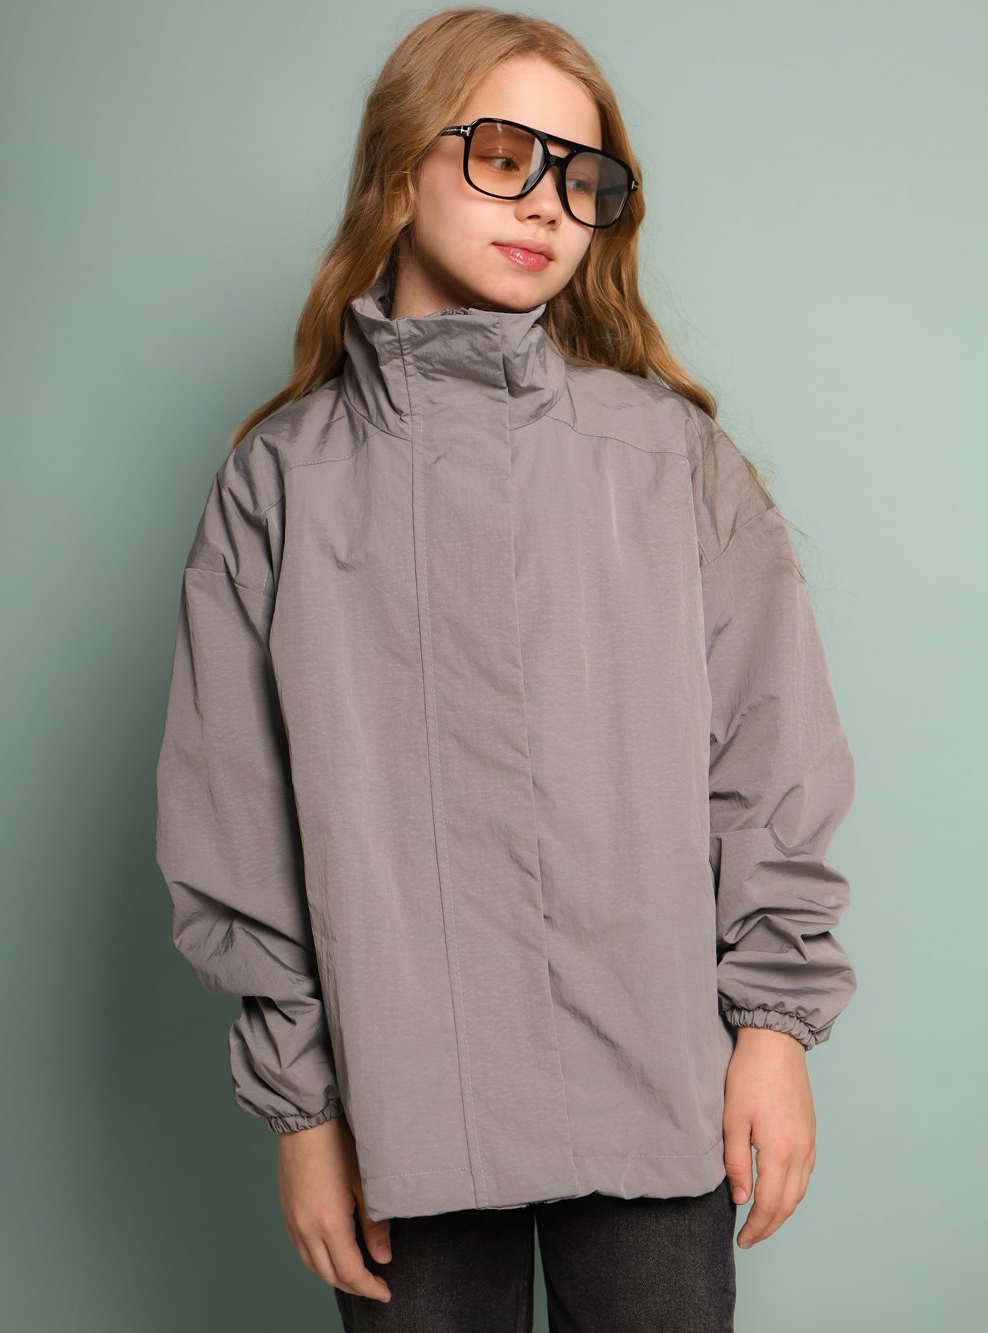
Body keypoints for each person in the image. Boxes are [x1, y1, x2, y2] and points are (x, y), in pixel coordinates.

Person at [154, 6, 858, 1330]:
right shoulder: (282, 482)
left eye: (583, 178)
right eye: (502, 154)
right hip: (401, 1108)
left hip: (654, 1086)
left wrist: (773, 1028)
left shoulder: (671, 460)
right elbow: (235, 818)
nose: (546, 202)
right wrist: (303, 1112)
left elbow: (771, 759)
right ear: (402, 163)